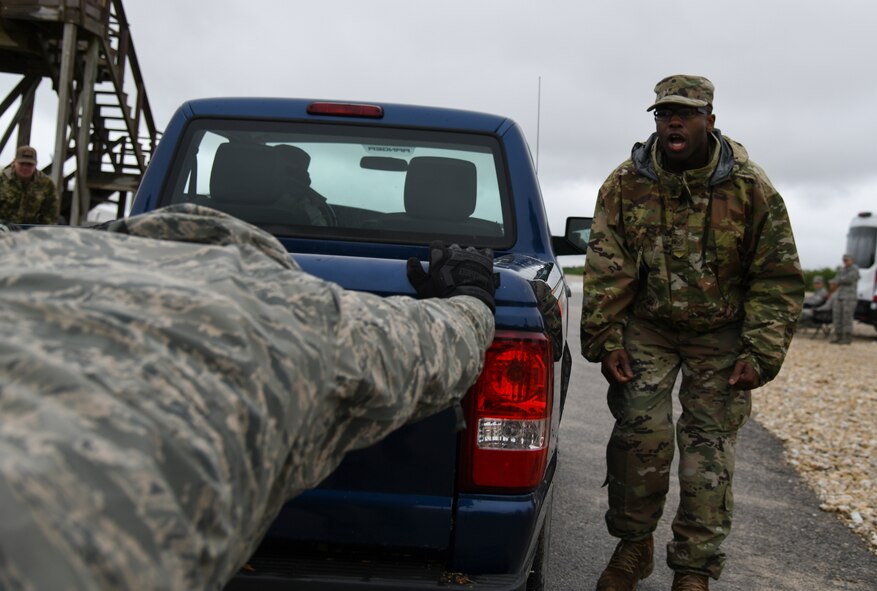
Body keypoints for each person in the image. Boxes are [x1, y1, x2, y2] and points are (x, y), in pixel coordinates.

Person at [0, 204, 497, 590]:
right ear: (262, 254)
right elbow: (439, 347)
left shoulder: (22, 255)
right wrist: (472, 296)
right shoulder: (299, 313)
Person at [581, 75, 804, 591]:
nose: (672, 122)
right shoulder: (625, 183)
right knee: (640, 433)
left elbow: (777, 276)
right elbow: (606, 265)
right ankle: (633, 548)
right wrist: (607, 338)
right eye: (663, 114)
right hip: (650, 327)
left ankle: (694, 569)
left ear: (710, 120)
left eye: (685, 113)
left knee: (707, 449)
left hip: (722, 332)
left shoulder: (751, 188)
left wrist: (760, 351)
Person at [0, 145, 60, 224]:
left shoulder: (46, 184)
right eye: (22, 163)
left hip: (30, 233)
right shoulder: (2, 179)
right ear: (14, 162)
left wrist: (42, 233)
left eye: (29, 164)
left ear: (36, 164)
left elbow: (51, 215)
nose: (25, 167)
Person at [831, 254, 860, 344]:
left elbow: (848, 280)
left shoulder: (854, 269)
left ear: (852, 260)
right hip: (839, 296)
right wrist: (838, 280)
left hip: (849, 298)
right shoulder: (842, 269)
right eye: (844, 260)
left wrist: (838, 280)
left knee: (846, 318)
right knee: (837, 317)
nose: (845, 262)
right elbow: (834, 280)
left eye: (847, 260)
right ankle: (838, 336)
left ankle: (846, 338)